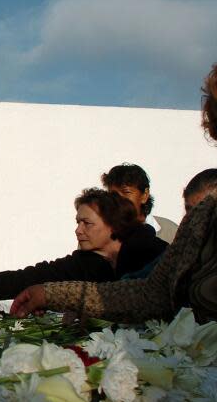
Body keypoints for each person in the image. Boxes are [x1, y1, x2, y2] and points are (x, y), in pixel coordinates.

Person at [11, 65, 217, 323]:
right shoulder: (201, 220)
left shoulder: (155, 239)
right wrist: (52, 295)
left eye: (86, 222)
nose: (80, 230)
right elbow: (151, 291)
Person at [0, 188, 167, 301]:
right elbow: (31, 277)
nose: (78, 230)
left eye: (86, 223)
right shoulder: (86, 262)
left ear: (113, 225)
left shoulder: (152, 253)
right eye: (77, 222)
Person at [101, 163, 178, 243]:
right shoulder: (101, 232)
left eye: (126, 192)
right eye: (113, 194)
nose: (118, 199)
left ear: (145, 195)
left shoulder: (171, 232)